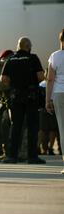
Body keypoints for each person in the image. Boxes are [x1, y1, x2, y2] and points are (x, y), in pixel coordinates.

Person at [2, 37, 46, 164]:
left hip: (16, 97)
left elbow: (3, 78)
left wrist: (15, 85)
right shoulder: (33, 58)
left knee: (16, 126)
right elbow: (40, 77)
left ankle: (12, 156)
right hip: (31, 97)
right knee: (32, 127)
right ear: (28, 46)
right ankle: (32, 157)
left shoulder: (10, 59)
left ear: (18, 46)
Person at [45, 29, 64, 174]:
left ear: (60, 40)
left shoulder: (55, 56)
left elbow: (50, 79)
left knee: (63, 130)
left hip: (59, 94)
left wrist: (47, 100)